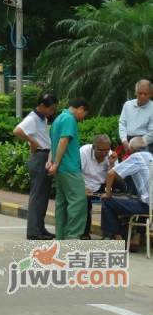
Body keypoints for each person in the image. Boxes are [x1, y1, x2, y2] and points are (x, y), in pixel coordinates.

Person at [13, 93, 59, 239]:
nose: (52, 112)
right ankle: (33, 231)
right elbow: (17, 131)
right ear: (42, 106)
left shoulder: (42, 118)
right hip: (40, 156)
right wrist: (32, 142)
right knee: (37, 196)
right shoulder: (32, 118)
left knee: (43, 196)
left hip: (44, 156)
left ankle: (40, 228)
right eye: (51, 109)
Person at [100, 137, 153, 250]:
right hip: (149, 205)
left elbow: (111, 174)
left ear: (131, 148)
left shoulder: (137, 157)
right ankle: (136, 238)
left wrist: (108, 192)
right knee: (138, 200)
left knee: (107, 201)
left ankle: (117, 237)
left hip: (148, 207)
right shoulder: (151, 157)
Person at [48, 98, 89, 240]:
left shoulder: (58, 118)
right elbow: (63, 141)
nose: (82, 118)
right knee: (78, 201)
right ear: (81, 108)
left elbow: (52, 143)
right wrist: (57, 163)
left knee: (62, 203)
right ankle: (72, 238)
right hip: (69, 168)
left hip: (60, 169)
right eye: (84, 114)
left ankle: (61, 237)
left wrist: (51, 162)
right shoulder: (69, 119)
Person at [79, 134, 118, 239]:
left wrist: (111, 164)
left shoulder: (110, 156)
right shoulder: (83, 151)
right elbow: (76, 172)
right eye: (101, 150)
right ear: (93, 147)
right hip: (83, 183)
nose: (104, 153)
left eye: (107, 150)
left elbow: (112, 179)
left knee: (111, 199)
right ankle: (85, 233)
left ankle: (109, 234)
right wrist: (82, 187)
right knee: (85, 201)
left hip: (102, 185)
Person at [119, 79, 153, 154]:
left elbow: (152, 132)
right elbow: (122, 123)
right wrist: (124, 140)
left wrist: (138, 144)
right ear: (135, 92)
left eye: (145, 94)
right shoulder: (127, 105)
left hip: (145, 143)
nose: (142, 96)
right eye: (140, 93)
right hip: (127, 142)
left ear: (151, 94)